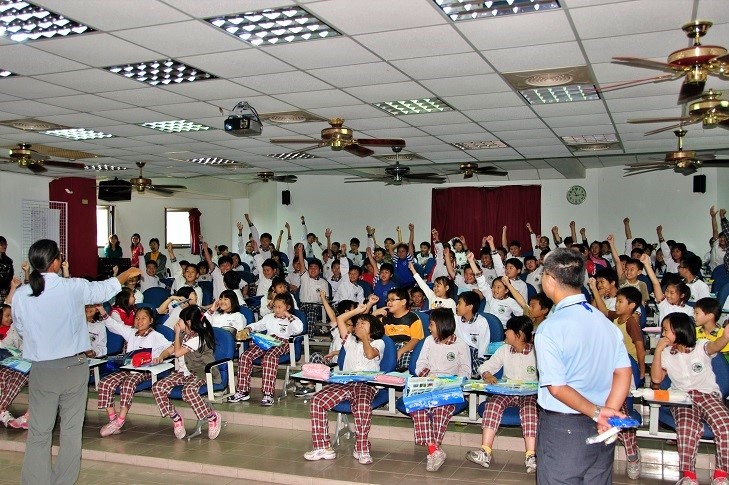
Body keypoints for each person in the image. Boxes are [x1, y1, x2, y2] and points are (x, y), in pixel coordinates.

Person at [11, 239, 140, 485]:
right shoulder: (73, 287)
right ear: (57, 262)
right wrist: (125, 275)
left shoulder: (21, 295)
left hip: (42, 370)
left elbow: (21, 328)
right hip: (73, 368)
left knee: (39, 433)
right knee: (70, 433)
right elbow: (103, 290)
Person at [534, 247, 631, 485]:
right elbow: (623, 372)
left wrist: (598, 413)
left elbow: (557, 388)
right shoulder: (604, 321)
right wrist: (606, 412)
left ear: (550, 280)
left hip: (564, 429)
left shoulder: (550, 328)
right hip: (601, 426)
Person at [651, 312, 729, 485]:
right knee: (687, 427)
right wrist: (658, 350)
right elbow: (656, 379)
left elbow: (716, 345)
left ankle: (722, 474)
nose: (663, 334)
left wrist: (725, 337)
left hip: (708, 396)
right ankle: (688, 476)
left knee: (725, 424)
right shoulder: (666, 354)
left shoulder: (701, 347)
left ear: (679, 329)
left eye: (666, 330)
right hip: (682, 398)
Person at [304, 309, 386, 465]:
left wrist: (365, 339)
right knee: (317, 400)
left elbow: (369, 355)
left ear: (373, 327)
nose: (358, 326)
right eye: (357, 324)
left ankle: (361, 448)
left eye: (363, 323)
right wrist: (358, 310)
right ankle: (323, 447)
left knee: (362, 406)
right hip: (345, 382)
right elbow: (340, 318)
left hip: (366, 384)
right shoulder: (349, 342)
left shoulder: (379, 343)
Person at [466, 315, 538, 473]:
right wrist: (488, 375)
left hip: (529, 394)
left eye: (509, 331)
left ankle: (531, 456)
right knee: (492, 406)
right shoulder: (504, 350)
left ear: (519, 334)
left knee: (529, 411)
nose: (505, 333)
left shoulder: (536, 352)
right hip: (507, 391)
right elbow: (484, 367)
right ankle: (485, 452)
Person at [409, 307, 470, 472]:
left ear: (442, 325)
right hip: (429, 384)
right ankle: (434, 449)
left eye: (432, 324)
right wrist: (429, 376)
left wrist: (451, 381)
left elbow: (466, 371)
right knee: (418, 408)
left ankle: (433, 450)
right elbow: (419, 364)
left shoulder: (460, 345)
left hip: (449, 389)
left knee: (441, 410)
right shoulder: (429, 341)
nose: (429, 327)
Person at [96, 306, 171, 437]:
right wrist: (102, 311)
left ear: (151, 320)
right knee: (105, 382)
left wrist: (161, 356)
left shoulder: (156, 336)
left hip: (144, 371)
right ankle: (112, 420)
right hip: (128, 369)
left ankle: (120, 421)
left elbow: (171, 347)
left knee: (127, 384)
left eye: (143, 318)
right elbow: (113, 325)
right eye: (137, 318)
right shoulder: (131, 332)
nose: (139, 321)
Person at [151, 305, 222, 440]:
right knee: (158, 387)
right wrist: (161, 355)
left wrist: (177, 332)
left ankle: (212, 417)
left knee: (188, 392)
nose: (178, 323)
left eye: (180, 320)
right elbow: (171, 349)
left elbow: (177, 353)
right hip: (185, 372)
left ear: (188, 322)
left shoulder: (198, 337)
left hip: (201, 371)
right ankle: (176, 417)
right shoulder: (185, 334)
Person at [228, 293, 303, 406]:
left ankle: (268, 394)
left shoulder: (293, 319)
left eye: (280, 307)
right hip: (267, 340)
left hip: (282, 342)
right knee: (245, 356)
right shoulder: (269, 317)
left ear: (287, 307)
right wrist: (248, 328)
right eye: (275, 306)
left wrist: (288, 315)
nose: (276, 310)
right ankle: (242, 391)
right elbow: (258, 325)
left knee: (269, 358)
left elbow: (299, 330)